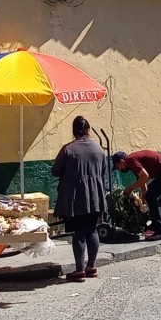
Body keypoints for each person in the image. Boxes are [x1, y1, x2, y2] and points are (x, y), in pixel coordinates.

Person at [51, 116, 107, 282]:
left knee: (78, 233)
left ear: (74, 131)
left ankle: (79, 270)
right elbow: (102, 172)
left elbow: (55, 171)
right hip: (95, 196)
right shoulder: (98, 149)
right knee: (92, 229)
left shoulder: (68, 150)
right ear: (88, 130)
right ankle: (92, 266)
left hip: (75, 198)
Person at [112, 149, 161, 241]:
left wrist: (130, 188)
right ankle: (156, 224)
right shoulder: (133, 163)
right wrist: (143, 200)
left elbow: (145, 176)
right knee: (150, 196)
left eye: (118, 166)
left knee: (151, 195)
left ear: (121, 161)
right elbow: (142, 182)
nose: (119, 169)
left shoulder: (131, 160)